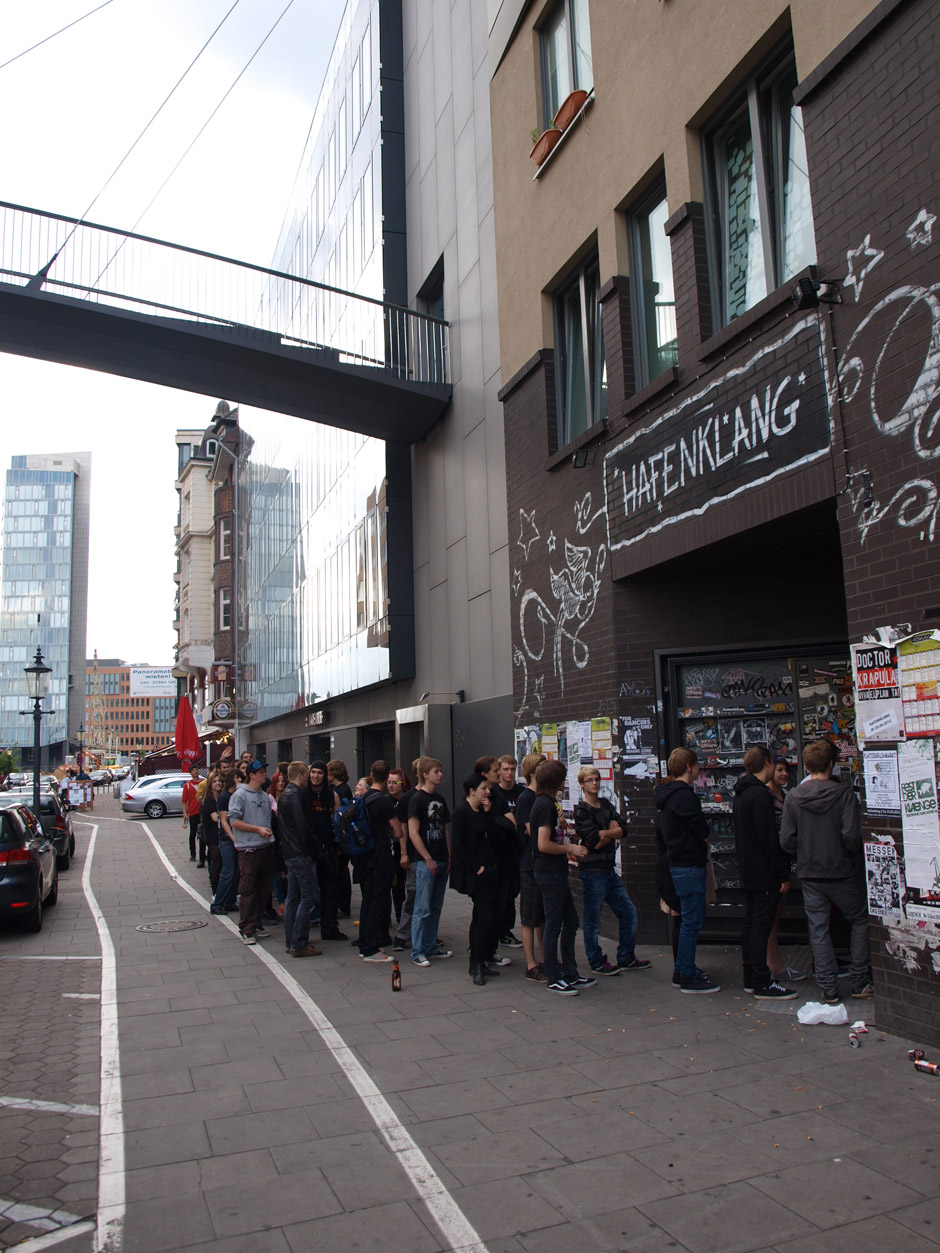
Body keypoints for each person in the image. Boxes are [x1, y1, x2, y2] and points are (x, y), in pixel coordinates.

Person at [780, 739, 872, 1003]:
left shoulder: (794, 797)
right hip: (842, 870)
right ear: (831, 765)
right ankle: (859, 981)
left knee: (818, 929)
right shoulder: (843, 794)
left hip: (810, 873)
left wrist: (807, 849)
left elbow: (786, 840)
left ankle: (829, 989)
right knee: (859, 920)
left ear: (806, 766)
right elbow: (852, 836)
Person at [732, 747, 797, 1000]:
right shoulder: (761, 796)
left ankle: (750, 976)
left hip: (749, 870)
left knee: (750, 925)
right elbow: (769, 839)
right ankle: (761, 981)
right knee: (761, 926)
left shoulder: (741, 794)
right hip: (764, 873)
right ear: (767, 763)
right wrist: (781, 873)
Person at [574, 765, 651, 976]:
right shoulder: (581, 811)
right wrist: (610, 831)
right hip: (593, 871)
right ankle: (595, 960)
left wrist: (605, 832)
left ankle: (626, 956)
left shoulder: (606, 804)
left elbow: (624, 828)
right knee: (593, 920)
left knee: (628, 912)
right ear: (582, 784)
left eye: (596, 779)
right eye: (589, 780)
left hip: (609, 870)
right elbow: (594, 842)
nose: (594, 783)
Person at [654, 748, 720, 994]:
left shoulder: (667, 796)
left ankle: (682, 969)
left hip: (676, 863)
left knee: (686, 920)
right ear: (689, 767)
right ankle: (687, 974)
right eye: (696, 765)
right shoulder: (685, 797)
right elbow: (702, 831)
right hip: (688, 865)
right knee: (692, 921)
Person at [529, 759, 592, 995]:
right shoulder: (545, 805)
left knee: (571, 922)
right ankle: (554, 977)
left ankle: (570, 972)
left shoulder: (546, 803)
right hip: (549, 872)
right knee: (554, 924)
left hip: (555, 871)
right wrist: (570, 849)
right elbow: (543, 844)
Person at [451, 773, 502, 985]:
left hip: (489, 870)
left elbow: (490, 834)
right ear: (472, 791)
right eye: (483, 788)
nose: (487, 792)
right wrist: (477, 868)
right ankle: (477, 963)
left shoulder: (481, 811)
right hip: (477, 874)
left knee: (481, 916)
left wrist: (489, 813)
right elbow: (458, 846)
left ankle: (478, 961)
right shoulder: (462, 813)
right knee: (486, 916)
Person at [356, 761, 404, 963]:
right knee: (379, 901)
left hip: (365, 854)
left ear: (370, 775)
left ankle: (364, 942)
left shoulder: (364, 797)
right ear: (386, 779)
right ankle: (371, 948)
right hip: (381, 855)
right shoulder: (384, 802)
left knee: (367, 900)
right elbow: (398, 831)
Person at [407, 756, 453, 967]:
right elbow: (413, 832)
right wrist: (426, 858)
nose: (440, 774)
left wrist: (449, 856)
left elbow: (444, 829)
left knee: (435, 906)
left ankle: (431, 946)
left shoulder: (441, 800)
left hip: (442, 859)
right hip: (426, 861)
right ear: (425, 774)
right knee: (422, 908)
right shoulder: (417, 800)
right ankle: (418, 951)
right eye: (436, 771)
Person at [227, 760, 275, 945]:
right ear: (252, 775)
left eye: (264, 771)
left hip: (265, 846)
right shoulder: (240, 795)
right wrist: (257, 830)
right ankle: (246, 927)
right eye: (260, 772)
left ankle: (255, 923)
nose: (264, 775)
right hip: (249, 848)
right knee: (248, 888)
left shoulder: (264, 795)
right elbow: (234, 821)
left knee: (263, 890)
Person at [765, 757, 804, 983]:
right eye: (779, 770)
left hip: (785, 858)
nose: (784, 774)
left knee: (777, 915)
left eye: (786, 770)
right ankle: (774, 964)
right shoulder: (767, 796)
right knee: (772, 915)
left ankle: (773, 962)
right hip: (776, 861)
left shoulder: (785, 795)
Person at [279, 761, 321, 958]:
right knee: (307, 897)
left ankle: (291, 941)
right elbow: (302, 827)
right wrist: (311, 849)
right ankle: (298, 943)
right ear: (302, 775)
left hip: (289, 852)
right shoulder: (295, 796)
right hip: (299, 853)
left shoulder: (284, 795)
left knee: (292, 898)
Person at [515, 752, 546, 981]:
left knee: (543, 916)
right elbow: (532, 831)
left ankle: (545, 959)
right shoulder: (526, 798)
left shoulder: (544, 796)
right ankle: (531, 963)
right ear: (534, 772)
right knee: (529, 915)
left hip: (544, 862)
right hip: (529, 863)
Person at [392, 760, 420, 952]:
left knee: (424, 898)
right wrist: (403, 853)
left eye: (395, 782)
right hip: (409, 854)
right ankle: (402, 933)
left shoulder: (433, 797)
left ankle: (424, 934)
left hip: (425, 855)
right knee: (409, 894)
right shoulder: (407, 799)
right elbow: (403, 828)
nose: (391, 786)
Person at [210, 769, 240, 914]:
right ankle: (217, 903)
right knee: (228, 871)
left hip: (234, 838)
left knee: (235, 872)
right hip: (226, 840)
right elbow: (224, 820)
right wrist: (232, 837)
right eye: (237, 778)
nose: (239, 780)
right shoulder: (225, 797)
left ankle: (229, 901)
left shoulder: (235, 795)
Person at [327, 759, 354, 918]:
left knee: (340, 872)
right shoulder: (343, 788)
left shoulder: (339, 790)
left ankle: (342, 904)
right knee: (342, 872)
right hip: (344, 837)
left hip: (340, 838)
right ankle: (343, 904)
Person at [387, 767, 411, 924]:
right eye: (389, 782)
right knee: (397, 886)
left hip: (410, 848)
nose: (391, 786)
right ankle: (398, 915)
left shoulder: (408, 800)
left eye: (395, 783)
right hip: (393, 850)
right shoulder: (386, 802)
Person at [201, 774, 224, 897]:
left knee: (223, 864)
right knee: (217, 863)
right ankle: (215, 893)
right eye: (215, 781)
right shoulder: (209, 800)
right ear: (210, 784)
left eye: (219, 781)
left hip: (221, 834)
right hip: (212, 835)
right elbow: (215, 818)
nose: (218, 783)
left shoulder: (221, 797)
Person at [181, 766, 202, 864]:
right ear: (190, 773)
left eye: (196, 770)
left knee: (202, 834)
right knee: (193, 833)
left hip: (202, 811)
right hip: (193, 812)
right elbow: (184, 800)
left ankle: (203, 853)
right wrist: (185, 813)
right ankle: (192, 853)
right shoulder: (188, 785)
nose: (196, 771)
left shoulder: (203, 782)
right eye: (193, 770)